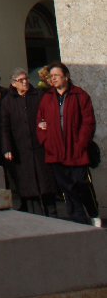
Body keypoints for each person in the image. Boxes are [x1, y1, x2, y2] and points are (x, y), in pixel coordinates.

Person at [36, 62, 97, 223]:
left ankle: (91, 210)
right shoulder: (47, 98)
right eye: (51, 76)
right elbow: (40, 123)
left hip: (76, 150)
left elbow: (88, 122)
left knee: (79, 183)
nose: (53, 79)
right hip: (55, 151)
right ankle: (78, 217)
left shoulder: (80, 96)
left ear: (66, 77)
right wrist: (46, 141)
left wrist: (81, 144)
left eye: (56, 75)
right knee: (66, 187)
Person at [1, 67, 55, 211]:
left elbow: (49, 114)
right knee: (28, 186)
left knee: (46, 182)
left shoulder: (38, 95)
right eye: (21, 80)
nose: (25, 82)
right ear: (14, 83)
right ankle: (35, 215)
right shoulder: (8, 101)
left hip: (40, 146)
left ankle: (53, 213)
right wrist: (7, 148)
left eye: (26, 79)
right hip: (21, 149)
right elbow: (4, 127)